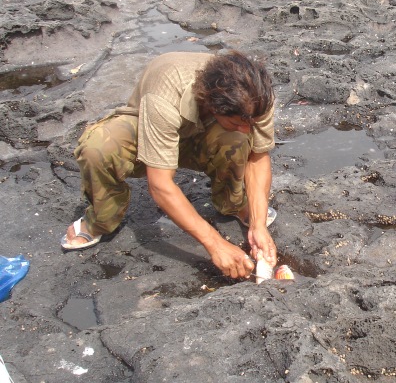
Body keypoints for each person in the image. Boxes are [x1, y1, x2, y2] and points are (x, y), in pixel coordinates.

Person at [60, 50, 278, 279]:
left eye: (251, 123)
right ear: (213, 106)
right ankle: (101, 220)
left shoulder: (255, 98)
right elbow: (160, 185)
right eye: (237, 122)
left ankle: (234, 203)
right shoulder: (164, 95)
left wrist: (259, 223)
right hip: (149, 131)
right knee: (98, 149)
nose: (247, 129)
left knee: (238, 139)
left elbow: (258, 156)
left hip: (206, 132)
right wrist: (215, 244)